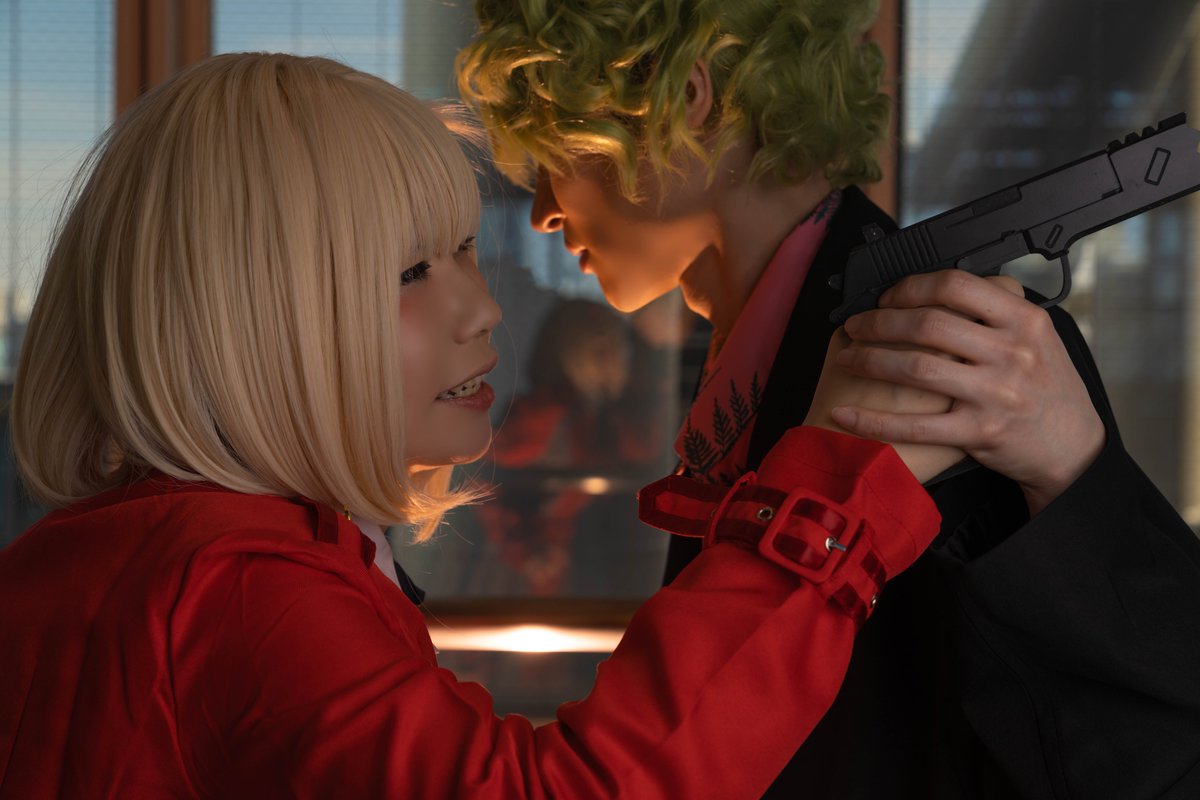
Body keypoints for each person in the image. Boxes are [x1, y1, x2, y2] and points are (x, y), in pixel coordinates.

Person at [0, 52, 958, 798]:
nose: (484, 309)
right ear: (247, 320)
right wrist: (829, 500)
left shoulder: (105, 561)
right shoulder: (246, 589)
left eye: (464, 251)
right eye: (411, 273)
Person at [457, 1, 1200, 797]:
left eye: (562, 153)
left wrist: (1077, 473)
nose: (544, 209)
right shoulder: (766, 344)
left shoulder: (942, 347)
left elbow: (1132, 740)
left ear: (684, 100)